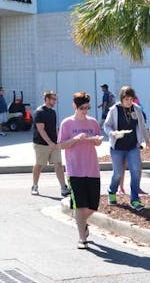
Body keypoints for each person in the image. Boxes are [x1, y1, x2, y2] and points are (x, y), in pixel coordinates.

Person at [58, 92, 104, 249]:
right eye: (82, 108)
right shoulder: (67, 123)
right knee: (79, 206)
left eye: (87, 107)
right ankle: (82, 238)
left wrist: (97, 141)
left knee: (92, 206)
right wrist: (76, 138)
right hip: (75, 169)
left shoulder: (92, 122)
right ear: (75, 106)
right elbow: (62, 145)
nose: (85, 110)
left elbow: (98, 141)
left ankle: (82, 223)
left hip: (92, 168)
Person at [103, 86, 149, 211]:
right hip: (117, 147)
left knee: (136, 171)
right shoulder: (114, 109)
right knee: (118, 173)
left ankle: (135, 199)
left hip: (133, 146)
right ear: (122, 98)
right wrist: (112, 133)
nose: (129, 101)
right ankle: (112, 191)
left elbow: (142, 126)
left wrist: (147, 140)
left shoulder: (137, 109)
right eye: (127, 99)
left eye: (131, 99)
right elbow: (106, 126)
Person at [31, 90, 70, 197]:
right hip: (41, 144)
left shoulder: (52, 112)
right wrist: (49, 143)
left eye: (55, 99)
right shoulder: (39, 112)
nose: (55, 101)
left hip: (54, 144)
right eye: (53, 99)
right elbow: (41, 129)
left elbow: (54, 128)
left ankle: (63, 188)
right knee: (39, 165)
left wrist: (59, 140)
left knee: (58, 165)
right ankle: (34, 186)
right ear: (46, 99)